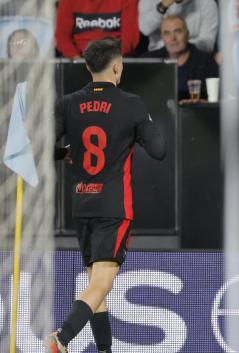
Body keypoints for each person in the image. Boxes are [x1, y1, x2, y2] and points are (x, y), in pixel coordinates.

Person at [45, 38, 165, 353]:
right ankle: (62, 338)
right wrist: (146, 125)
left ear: (88, 67)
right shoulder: (132, 103)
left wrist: (67, 151)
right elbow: (159, 150)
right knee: (101, 284)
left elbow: (45, 147)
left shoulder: (68, 102)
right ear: (116, 66)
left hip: (82, 204)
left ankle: (104, 350)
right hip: (114, 205)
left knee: (95, 286)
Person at [142, 15, 218, 102]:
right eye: (167, 33)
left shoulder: (207, 63)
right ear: (162, 37)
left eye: (178, 32)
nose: (173, 38)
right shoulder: (148, 61)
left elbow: (217, 99)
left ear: (187, 34)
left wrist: (202, 104)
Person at [55, 0, 140, 59]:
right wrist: (77, 59)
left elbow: (130, 38)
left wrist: (111, 61)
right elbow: (62, 36)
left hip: (116, 60)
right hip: (79, 60)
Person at [138, 0, 219, 52]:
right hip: (158, 54)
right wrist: (162, 7)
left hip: (194, 57)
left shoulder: (207, 2)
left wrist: (180, 47)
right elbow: (144, 29)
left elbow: (208, 43)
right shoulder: (149, 1)